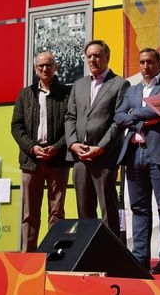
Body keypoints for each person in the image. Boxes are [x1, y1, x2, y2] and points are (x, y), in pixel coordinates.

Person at [115, 48, 160, 274]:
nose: (145, 66)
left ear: (159, 64)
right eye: (142, 62)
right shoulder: (132, 90)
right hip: (134, 152)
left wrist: (135, 114)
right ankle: (140, 257)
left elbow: (157, 113)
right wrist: (141, 115)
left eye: (150, 62)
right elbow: (118, 116)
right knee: (139, 208)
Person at [65, 40, 129, 234]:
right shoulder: (79, 85)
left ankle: (111, 258)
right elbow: (70, 116)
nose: (93, 59)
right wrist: (73, 143)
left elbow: (119, 121)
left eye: (97, 55)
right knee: (84, 210)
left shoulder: (119, 84)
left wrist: (101, 147)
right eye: (89, 56)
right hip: (80, 158)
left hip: (104, 157)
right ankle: (88, 254)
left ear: (107, 58)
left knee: (108, 210)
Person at [11, 51, 71, 252]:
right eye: (40, 66)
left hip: (58, 160)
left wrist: (57, 147)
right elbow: (16, 127)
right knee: (30, 213)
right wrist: (31, 147)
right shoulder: (25, 94)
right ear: (36, 69)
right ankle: (28, 256)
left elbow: (72, 126)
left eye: (48, 65)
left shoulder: (67, 94)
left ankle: (54, 255)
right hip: (31, 160)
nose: (44, 69)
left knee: (56, 212)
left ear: (55, 67)